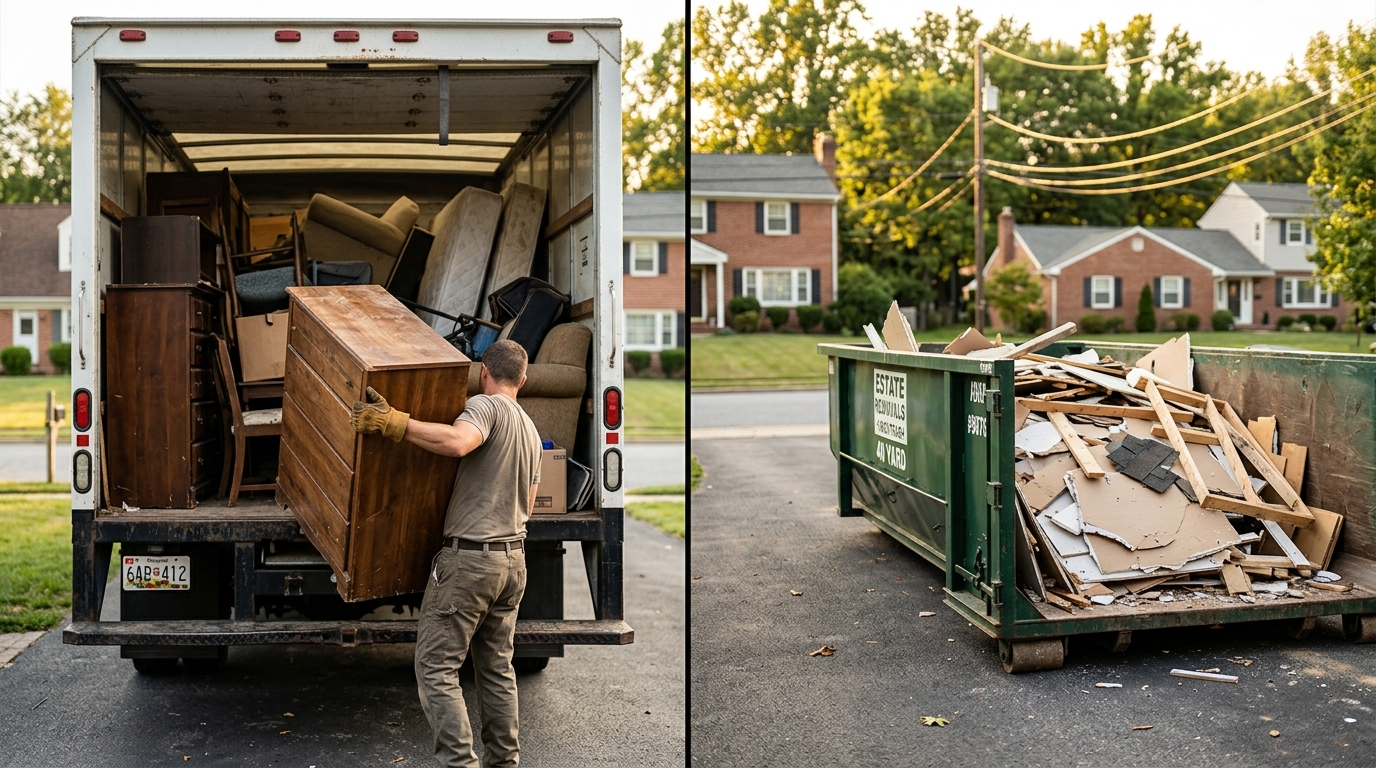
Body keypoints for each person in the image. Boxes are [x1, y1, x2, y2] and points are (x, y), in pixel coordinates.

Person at [350, 339, 542, 768]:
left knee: (436, 668)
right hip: (513, 561)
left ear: (484, 374)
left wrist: (395, 423)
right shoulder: (530, 429)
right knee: (496, 669)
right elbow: (528, 506)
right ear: (523, 381)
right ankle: (503, 763)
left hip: (471, 561)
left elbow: (458, 443)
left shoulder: (486, 407)